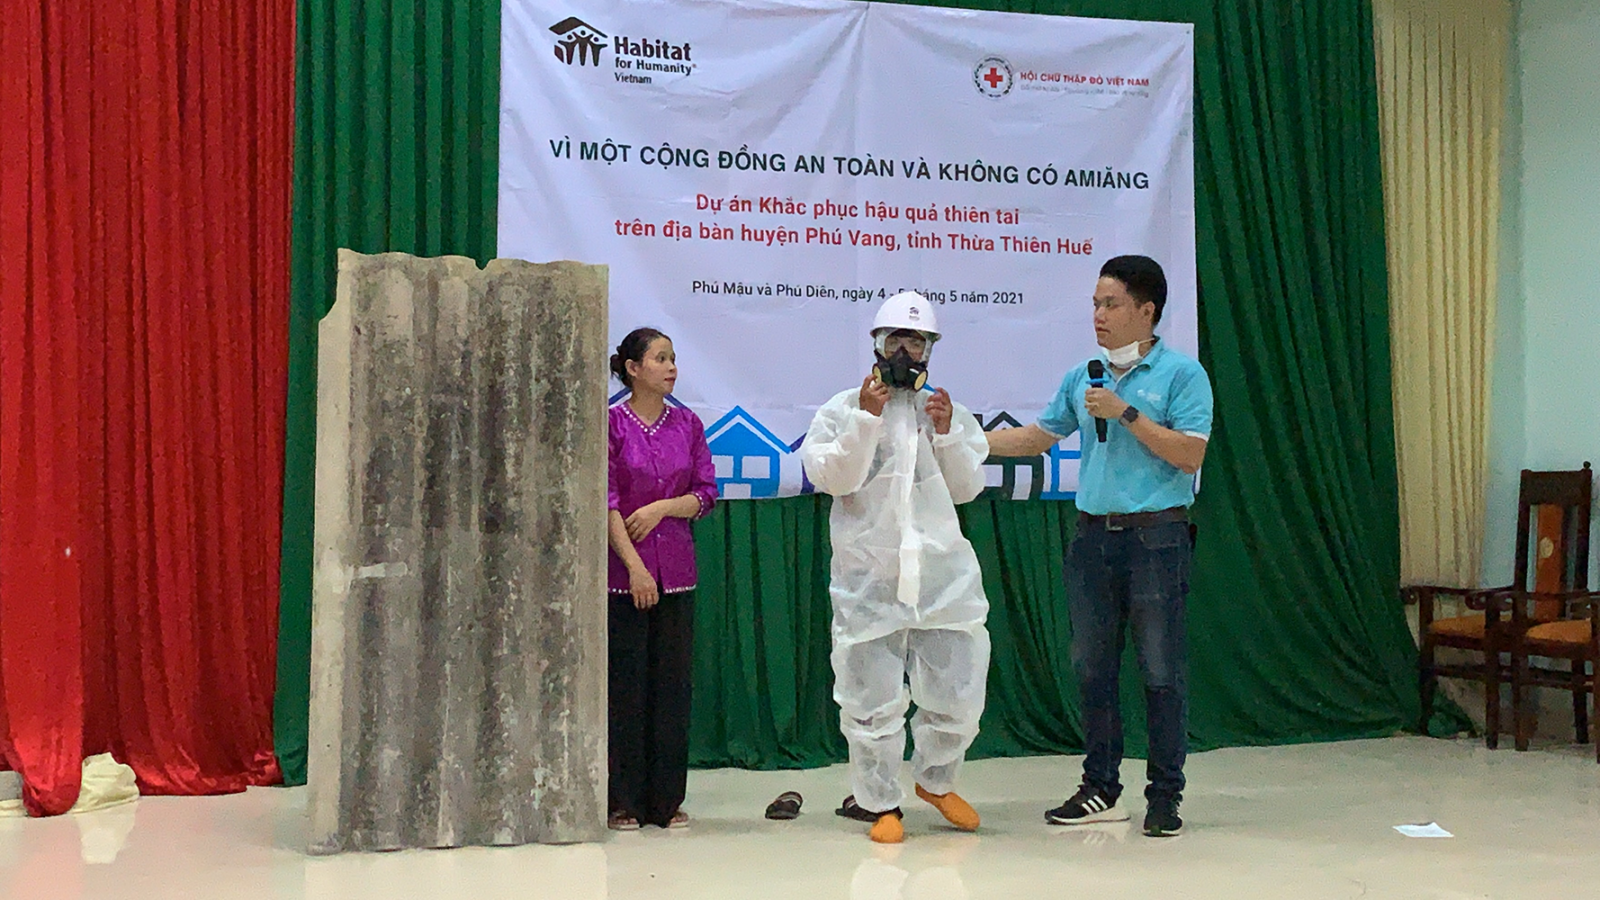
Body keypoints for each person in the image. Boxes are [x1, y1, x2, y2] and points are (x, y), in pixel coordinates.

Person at [986, 255, 1213, 838]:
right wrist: (960, 437)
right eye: (1094, 304)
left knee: (1161, 672)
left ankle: (1165, 795)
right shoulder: (1083, 374)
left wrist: (1126, 411)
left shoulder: (1183, 375)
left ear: (1147, 310)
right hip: (1092, 538)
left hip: (1156, 538)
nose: (1099, 316)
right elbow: (1038, 437)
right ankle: (1100, 788)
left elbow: (1190, 455)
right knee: (1092, 670)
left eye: (1111, 304)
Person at [799, 291, 992, 844]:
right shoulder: (842, 409)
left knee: (959, 688)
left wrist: (950, 432)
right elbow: (831, 477)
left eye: (917, 341)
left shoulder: (945, 413)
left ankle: (936, 780)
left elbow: (966, 488)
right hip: (869, 581)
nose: (905, 351)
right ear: (877, 346)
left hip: (943, 580)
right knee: (869, 699)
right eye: (895, 341)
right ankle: (880, 802)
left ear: (930, 349)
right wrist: (866, 418)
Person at [606, 327, 718, 830]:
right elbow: (605, 502)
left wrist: (661, 508)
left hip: (678, 573)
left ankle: (665, 801)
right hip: (622, 577)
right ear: (632, 368)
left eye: (674, 358)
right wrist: (634, 567)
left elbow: (705, 494)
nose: (671, 367)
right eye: (660, 358)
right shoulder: (610, 425)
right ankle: (623, 801)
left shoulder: (688, 424)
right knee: (626, 689)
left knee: (671, 689)